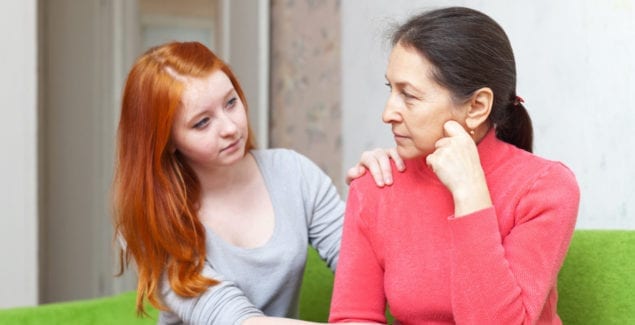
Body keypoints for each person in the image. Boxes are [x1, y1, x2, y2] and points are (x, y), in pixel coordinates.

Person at [112, 41, 393, 325]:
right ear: (168, 141)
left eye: (231, 103)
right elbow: (237, 320)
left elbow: (366, 265)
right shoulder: (154, 220)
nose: (231, 128)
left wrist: (391, 187)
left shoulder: (293, 174)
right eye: (202, 123)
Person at [329, 7, 580, 324]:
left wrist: (470, 193)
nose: (387, 113)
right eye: (390, 90)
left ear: (476, 107)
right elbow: (353, 317)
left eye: (409, 95)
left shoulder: (546, 187)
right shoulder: (375, 185)